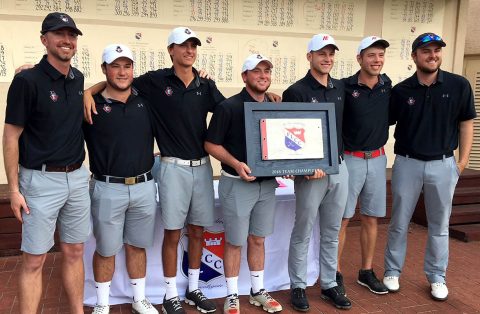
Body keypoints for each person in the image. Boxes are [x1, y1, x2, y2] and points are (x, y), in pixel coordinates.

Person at [85, 26, 224, 314]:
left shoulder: (203, 85)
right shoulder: (155, 82)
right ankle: (166, 294)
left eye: (193, 46)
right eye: (182, 46)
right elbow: (115, 82)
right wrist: (88, 90)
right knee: (171, 233)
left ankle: (193, 289)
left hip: (201, 168)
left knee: (197, 231)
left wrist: (262, 98)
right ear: (171, 50)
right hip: (169, 168)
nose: (189, 51)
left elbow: (229, 112)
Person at [2, 12, 90, 314]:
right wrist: (14, 189)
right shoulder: (26, 81)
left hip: (77, 179)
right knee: (35, 258)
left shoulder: (78, 79)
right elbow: (11, 136)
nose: (67, 40)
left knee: (75, 250)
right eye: (59, 34)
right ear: (44, 40)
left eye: (72, 35)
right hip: (39, 182)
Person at [383, 32, 476, 301]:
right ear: (415, 56)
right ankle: (392, 271)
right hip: (407, 163)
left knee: (439, 225)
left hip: (444, 165)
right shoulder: (401, 91)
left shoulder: (459, 85)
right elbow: (382, 120)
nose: (432, 55)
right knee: (399, 222)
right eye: (426, 51)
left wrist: (462, 161)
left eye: (436, 50)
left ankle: (437, 276)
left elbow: (466, 122)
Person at [205, 54, 283, 314]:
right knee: (235, 242)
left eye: (267, 71)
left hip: (267, 185)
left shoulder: (274, 106)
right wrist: (236, 163)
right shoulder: (229, 107)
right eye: (257, 71)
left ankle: (257, 291)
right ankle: (232, 294)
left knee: (258, 239)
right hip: (236, 183)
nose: (263, 75)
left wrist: (290, 166)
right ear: (244, 76)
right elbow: (211, 144)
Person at [83, 44, 158, 314]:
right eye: (115, 65)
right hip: (107, 187)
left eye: (127, 66)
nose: (122, 71)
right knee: (106, 249)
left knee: (137, 246)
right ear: (104, 69)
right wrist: (87, 92)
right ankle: (102, 304)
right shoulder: (90, 105)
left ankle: (139, 299)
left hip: (144, 186)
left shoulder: (145, 100)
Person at [282, 34, 351, 311]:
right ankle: (298, 286)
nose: (327, 58)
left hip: (339, 167)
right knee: (303, 229)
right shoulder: (296, 91)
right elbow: (287, 136)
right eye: (321, 53)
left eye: (331, 53)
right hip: (311, 173)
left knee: (332, 231)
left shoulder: (340, 88)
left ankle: (329, 284)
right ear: (309, 56)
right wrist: (302, 168)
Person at [336, 36, 391, 295]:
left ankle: (366, 271)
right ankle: (333, 273)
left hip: (378, 159)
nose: (377, 60)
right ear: (359, 58)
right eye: (371, 55)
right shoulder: (344, 87)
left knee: (371, 217)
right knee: (343, 218)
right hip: (350, 159)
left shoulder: (388, 86)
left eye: (380, 55)